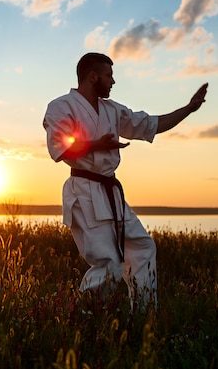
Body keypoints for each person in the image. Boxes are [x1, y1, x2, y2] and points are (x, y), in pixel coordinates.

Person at [43, 52, 207, 309]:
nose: (113, 81)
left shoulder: (112, 110)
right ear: (92, 76)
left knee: (142, 247)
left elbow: (152, 124)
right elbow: (60, 149)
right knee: (108, 264)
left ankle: (143, 316)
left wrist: (188, 109)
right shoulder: (61, 107)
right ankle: (83, 318)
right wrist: (98, 144)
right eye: (109, 75)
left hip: (111, 192)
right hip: (84, 191)